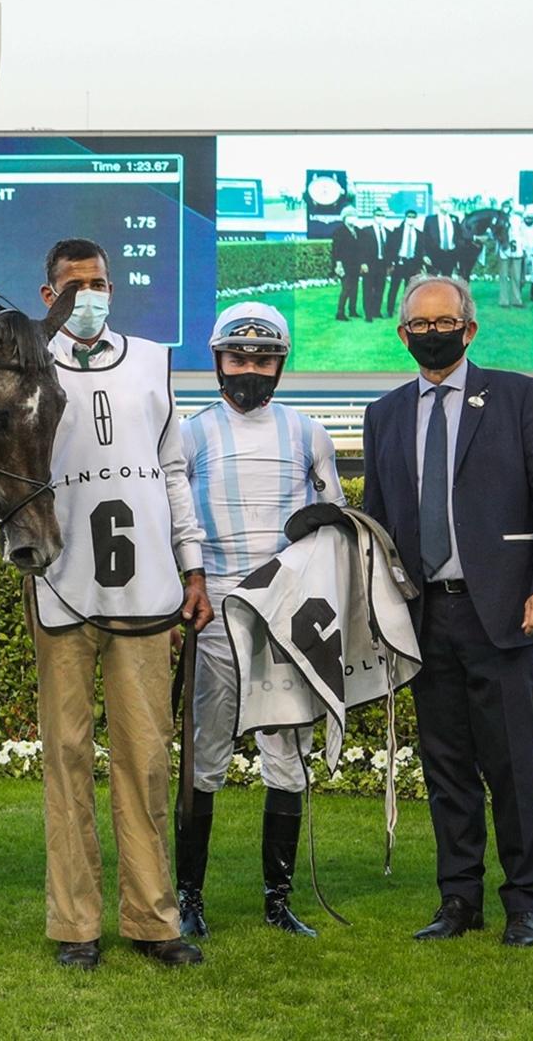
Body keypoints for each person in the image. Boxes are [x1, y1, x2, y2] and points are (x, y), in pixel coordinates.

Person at [360, 274, 533, 949]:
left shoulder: (516, 397)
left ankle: (524, 905)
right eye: (418, 326)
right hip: (426, 620)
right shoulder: (386, 414)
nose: (431, 334)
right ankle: (459, 902)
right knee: (446, 767)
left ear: (469, 328)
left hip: (507, 613)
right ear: (402, 335)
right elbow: (379, 519)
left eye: (442, 322)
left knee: (512, 765)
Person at [29, 237, 209, 971]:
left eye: (99, 282)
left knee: (145, 758)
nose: (89, 295)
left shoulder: (153, 360)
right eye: (74, 285)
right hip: (62, 584)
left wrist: (192, 566)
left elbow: (172, 470)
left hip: (147, 590)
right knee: (65, 759)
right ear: (49, 297)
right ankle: (75, 926)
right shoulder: (25, 371)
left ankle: (153, 917)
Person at [176, 303, 343, 942]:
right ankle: (189, 898)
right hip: (215, 610)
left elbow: (333, 525)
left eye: (263, 360)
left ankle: (278, 901)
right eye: (239, 358)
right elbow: (175, 525)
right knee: (205, 757)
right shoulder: (189, 436)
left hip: (285, 612)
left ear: (280, 365)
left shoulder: (308, 434)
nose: (250, 369)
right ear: (218, 361)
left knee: (285, 758)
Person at [386, 209, 424, 310]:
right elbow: (391, 247)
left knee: (409, 288)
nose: (411, 219)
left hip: (411, 262)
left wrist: (419, 265)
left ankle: (407, 309)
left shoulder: (418, 233)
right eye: (409, 217)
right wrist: (391, 262)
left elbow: (419, 251)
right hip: (399, 261)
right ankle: (390, 309)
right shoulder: (398, 231)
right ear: (405, 217)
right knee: (394, 287)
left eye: (413, 217)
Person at [331, 207, 363, 322]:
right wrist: (338, 265)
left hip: (355, 265)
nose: (352, 218)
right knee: (346, 289)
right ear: (344, 218)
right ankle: (340, 312)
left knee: (355, 288)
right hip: (344, 265)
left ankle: (352, 310)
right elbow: (336, 250)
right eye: (350, 216)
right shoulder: (339, 231)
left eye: (354, 216)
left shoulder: (357, 231)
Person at [360, 210, 392, 321]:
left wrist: (389, 264)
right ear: (373, 216)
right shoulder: (366, 231)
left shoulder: (387, 232)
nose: (380, 217)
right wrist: (363, 263)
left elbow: (389, 250)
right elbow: (361, 249)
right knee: (368, 289)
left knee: (380, 289)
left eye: (382, 215)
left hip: (382, 264)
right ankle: (368, 314)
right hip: (370, 264)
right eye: (378, 215)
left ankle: (376, 311)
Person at [423, 204, 465, 279]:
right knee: (433, 281)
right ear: (440, 205)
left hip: (450, 255)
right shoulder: (430, 219)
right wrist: (425, 255)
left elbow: (459, 237)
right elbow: (424, 238)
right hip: (435, 254)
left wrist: (458, 253)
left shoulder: (454, 219)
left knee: (448, 281)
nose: (447, 206)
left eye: (448, 203)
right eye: (444, 203)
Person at [497, 203, 527, 308]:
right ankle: (503, 300)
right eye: (504, 207)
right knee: (503, 276)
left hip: (517, 249)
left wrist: (523, 248)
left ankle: (516, 300)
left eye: (508, 207)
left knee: (516, 276)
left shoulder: (518, 219)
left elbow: (522, 234)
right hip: (503, 250)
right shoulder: (498, 218)